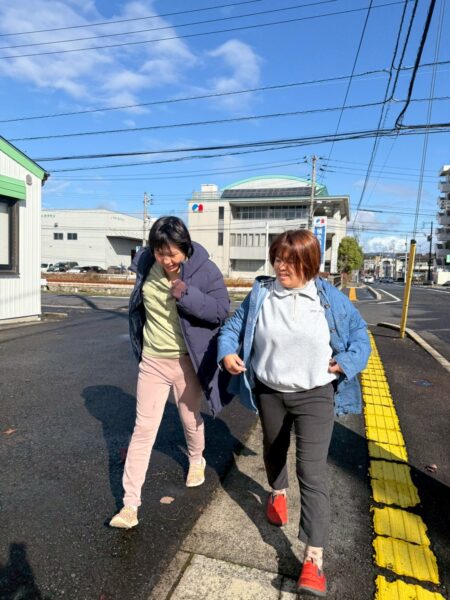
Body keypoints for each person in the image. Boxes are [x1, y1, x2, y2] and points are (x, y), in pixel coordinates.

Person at [218, 229, 370, 597]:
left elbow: (360, 335)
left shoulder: (328, 298)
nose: (281, 266)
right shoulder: (262, 293)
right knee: (273, 450)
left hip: (315, 395)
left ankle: (313, 559)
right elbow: (233, 328)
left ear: (310, 264)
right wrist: (227, 352)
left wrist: (347, 362)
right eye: (278, 259)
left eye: (291, 261)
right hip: (270, 391)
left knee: (312, 472)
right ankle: (277, 491)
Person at [110, 216, 231, 529]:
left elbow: (221, 311)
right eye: (160, 253)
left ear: (185, 248)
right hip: (152, 360)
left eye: (173, 253)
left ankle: (196, 458)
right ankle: (130, 505)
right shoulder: (145, 265)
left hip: (186, 361)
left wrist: (186, 294)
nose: (166, 260)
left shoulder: (205, 270)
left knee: (190, 418)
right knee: (143, 430)